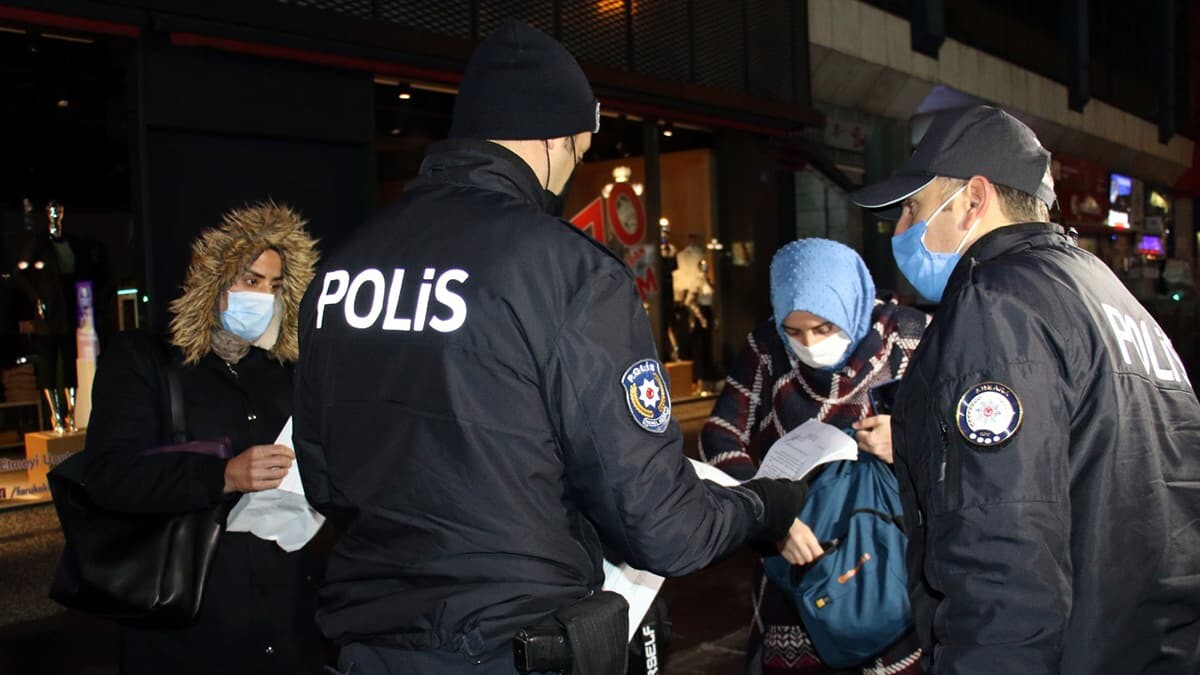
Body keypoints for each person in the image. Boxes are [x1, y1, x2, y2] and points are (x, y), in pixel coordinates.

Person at [293, 20, 812, 674]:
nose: (567, 175)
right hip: (511, 645)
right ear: (552, 139)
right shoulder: (568, 273)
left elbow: (322, 478)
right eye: (575, 153)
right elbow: (662, 526)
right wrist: (766, 506)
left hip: (372, 648)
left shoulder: (343, 270)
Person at [850, 104, 1200, 673]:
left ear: (973, 198)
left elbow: (1000, 549)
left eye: (913, 206)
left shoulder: (997, 304)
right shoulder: (1107, 293)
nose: (901, 228)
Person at [77, 202, 324, 674]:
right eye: (251, 280)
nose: (264, 297)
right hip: (185, 626)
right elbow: (109, 477)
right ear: (212, 279)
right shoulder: (146, 361)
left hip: (285, 621)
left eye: (275, 286)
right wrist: (223, 475)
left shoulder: (283, 371)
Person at [700, 238, 927, 675]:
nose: (808, 343)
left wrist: (907, 439)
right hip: (801, 557)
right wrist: (770, 514)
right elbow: (719, 435)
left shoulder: (911, 338)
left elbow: (969, 436)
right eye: (795, 331)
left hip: (895, 557)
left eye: (824, 328)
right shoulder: (768, 346)